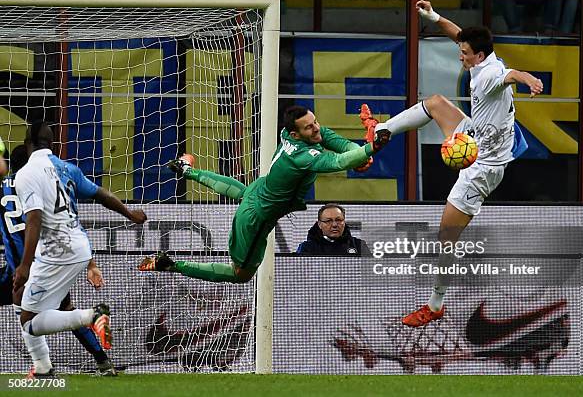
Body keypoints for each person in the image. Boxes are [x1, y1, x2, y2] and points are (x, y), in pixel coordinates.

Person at [367, 0, 543, 327]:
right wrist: (432, 16)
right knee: (435, 103)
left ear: (478, 56)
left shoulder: (489, 74)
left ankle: (435, 304)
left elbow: (510, 76)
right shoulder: (481, 57)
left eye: (463, 53)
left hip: (483, 168)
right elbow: (458, 34)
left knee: (447, 237)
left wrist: (529, 79)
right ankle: (381, 131)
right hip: (475, 137)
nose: (459, 55)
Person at [138, 105, 389, 283]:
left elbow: (339, 144)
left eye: (315, 122)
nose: (316, 129)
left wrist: (362, 153)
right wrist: (371, 148)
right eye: (309, 127)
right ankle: (170, 265)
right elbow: (337, 162)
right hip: (256, 218)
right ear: (295, 134)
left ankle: (187, 170)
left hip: (260, 190)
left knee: (244, 191)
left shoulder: (294, 134)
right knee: (241, 275)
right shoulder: (303, 157)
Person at [12, 122, 147, 376]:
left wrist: (25, 265)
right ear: (52, 143)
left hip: (55, 253)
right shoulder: (68, 169)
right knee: (22, 300)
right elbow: (101, 194)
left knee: (29, 322)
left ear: (27, 140)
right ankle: (43, 367)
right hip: (80, 250)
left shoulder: (26, 173)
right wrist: (129, 213)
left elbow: (34, 218)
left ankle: (91, 316)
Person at [0, 145, 118, 377]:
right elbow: (67, 222)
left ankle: (45, 364)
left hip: (24, 266)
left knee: (32, 314)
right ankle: (101, 361)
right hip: (49, 260)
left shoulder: (6, 187)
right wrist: (91, 264)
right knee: (60, 309)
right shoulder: (45, 184)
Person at [296, 203, 369, 255]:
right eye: (328, 221)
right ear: (319, 224)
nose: (334, 225)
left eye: (338, 220)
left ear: (344, 222)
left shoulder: (359, 245)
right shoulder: (307, 248)